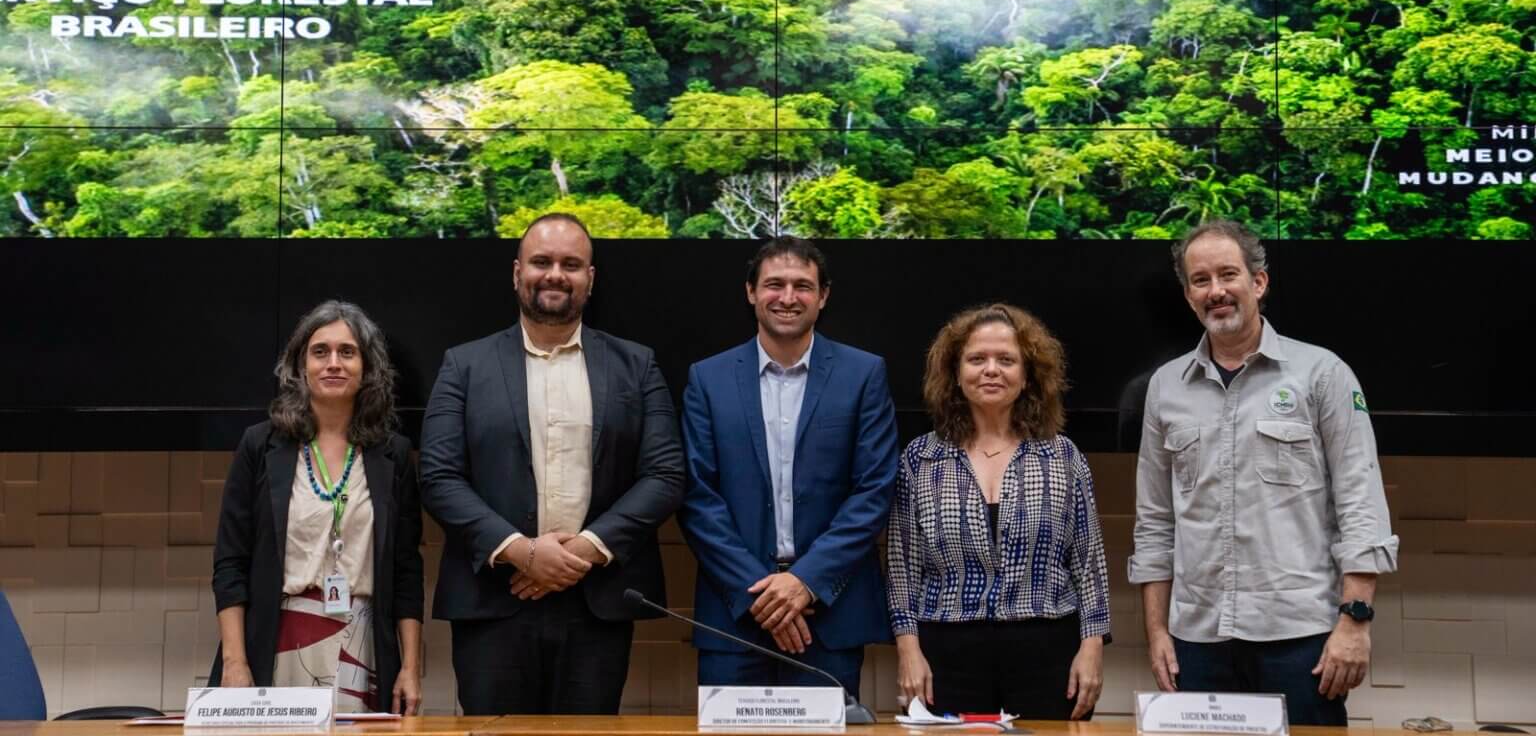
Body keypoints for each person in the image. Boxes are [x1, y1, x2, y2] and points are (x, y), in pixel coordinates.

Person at [1128, 220, 1399, 726]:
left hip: (1300, 639)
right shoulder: (1164, 389)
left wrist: (1355, 620)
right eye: (1201, 280)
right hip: (1198, 641)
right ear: (1188, 295)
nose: (1217, 291)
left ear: (1258, 282)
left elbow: (1361, 503)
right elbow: (1155, 521)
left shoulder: (1322, 374)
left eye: (1228, 274)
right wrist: (1158, 632)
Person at [420, 213, 685, 714]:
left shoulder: (637, 364)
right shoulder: (464, 365)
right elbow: (438, 477)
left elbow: (665, 475)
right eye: (542, 262)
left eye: (571, 264)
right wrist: (521, 552)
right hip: (494, 602)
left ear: (590, 278)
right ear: (517, 273)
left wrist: (583, 550)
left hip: (597, 604)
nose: (555, 274)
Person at [678, 237, 898, 695]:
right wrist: (762, 597)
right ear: (751, 292)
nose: (788, 297)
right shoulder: (707, 378)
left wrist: (804, 582)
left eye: (803, 285)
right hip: (734, 617)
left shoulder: (864, 374)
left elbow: (873, 490)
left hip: (830, 616)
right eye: (774, 284)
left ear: (823, 296)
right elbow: (697, 495)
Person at [887, 303, 1110, 720]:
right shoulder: (920, 459)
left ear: (1027, 376)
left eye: (1006, 360)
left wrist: (1092, 646)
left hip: (1048, 649)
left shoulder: (1063, 456)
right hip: (946, 652)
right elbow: (903, 569)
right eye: (977, 359)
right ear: (955, 372)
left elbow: (1089, 564)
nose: (991, 370)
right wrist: (908, 649)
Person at [211, 301, 423, 714]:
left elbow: (406, 572)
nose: (334, 363)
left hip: (364, 646)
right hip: (277, 642)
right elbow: (230, 564)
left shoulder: (393, 455)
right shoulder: (259, 445)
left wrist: (411, 667)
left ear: (367, 368)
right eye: (320, 351)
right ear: (300, 365)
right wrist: (236, 662)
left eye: (347, 352)